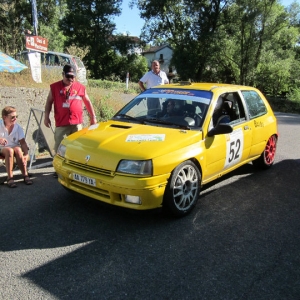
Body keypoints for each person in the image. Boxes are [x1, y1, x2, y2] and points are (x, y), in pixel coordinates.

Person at [44, 64, 97, 170]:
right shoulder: (54, 87)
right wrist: (46, 116)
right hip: (61, 123)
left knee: (77, 147)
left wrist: (93, 117)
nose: (71, 79)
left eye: (73, 76)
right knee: (60, 147)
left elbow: (87, 101)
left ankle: (75, 167)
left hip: (76, 123)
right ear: (63, 74)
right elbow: (49, 102)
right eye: (68, 76)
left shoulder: (80, 87)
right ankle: (59, 168)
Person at [0, 106, 33, 187]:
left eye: (16, 116)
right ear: (5, 117)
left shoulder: (17, 127)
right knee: (9, 151)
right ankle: (10, 178)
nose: (15, 119)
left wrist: (26, 154)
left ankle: (25, 175)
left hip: (14, 146)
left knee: (18, 149)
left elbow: (23, 143)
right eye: (12, 117)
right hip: (2, 148)